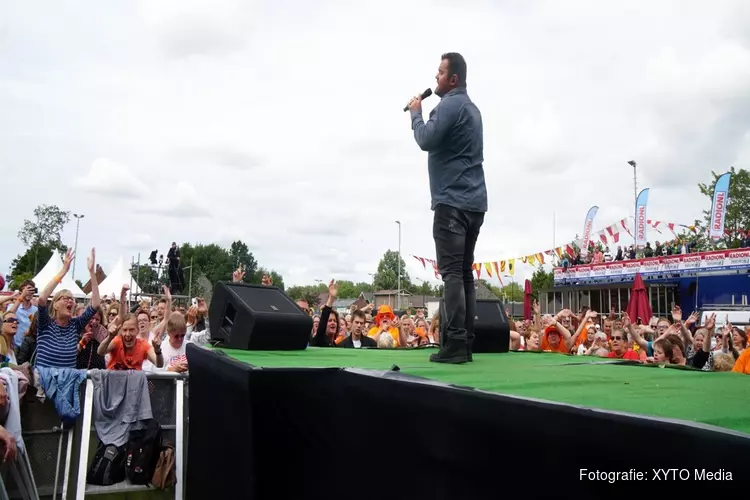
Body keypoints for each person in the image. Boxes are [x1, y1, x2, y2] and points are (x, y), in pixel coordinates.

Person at [406, 52, 487, 364]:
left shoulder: (450, 104)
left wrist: (416, 113)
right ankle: (465, 341)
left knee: (452, 272)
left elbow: (427, 138)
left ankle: (453, 343)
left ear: (453, 79)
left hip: (452, 201)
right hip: (476, 202)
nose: (435, 78)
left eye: (440, 73)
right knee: (465, 272)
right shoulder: (473, 109)